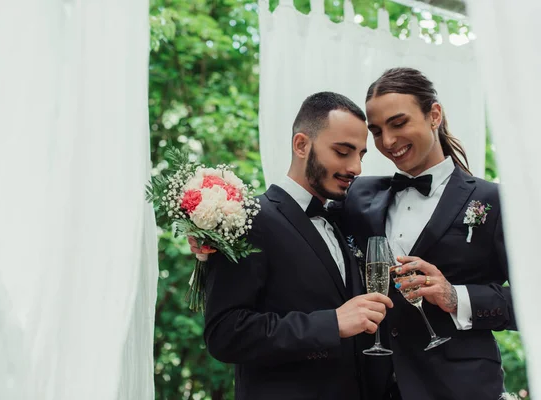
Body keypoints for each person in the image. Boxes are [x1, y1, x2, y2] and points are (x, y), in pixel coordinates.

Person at [197, 92, 393, 400]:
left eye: (361, 155)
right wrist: (331, 323)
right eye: (343, 152)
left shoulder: (340, 219)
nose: (356, 167)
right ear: (301, 145)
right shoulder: (248, 217)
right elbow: (225, 333)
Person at [341, 67, 516, 400]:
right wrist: (223, 221)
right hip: (376, 386)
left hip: (462, 387)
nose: (388, 142)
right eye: (376, 131)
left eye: (398, 123)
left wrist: (456, 297)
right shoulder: (358, 195)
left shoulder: (493, 201)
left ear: (434, 114)